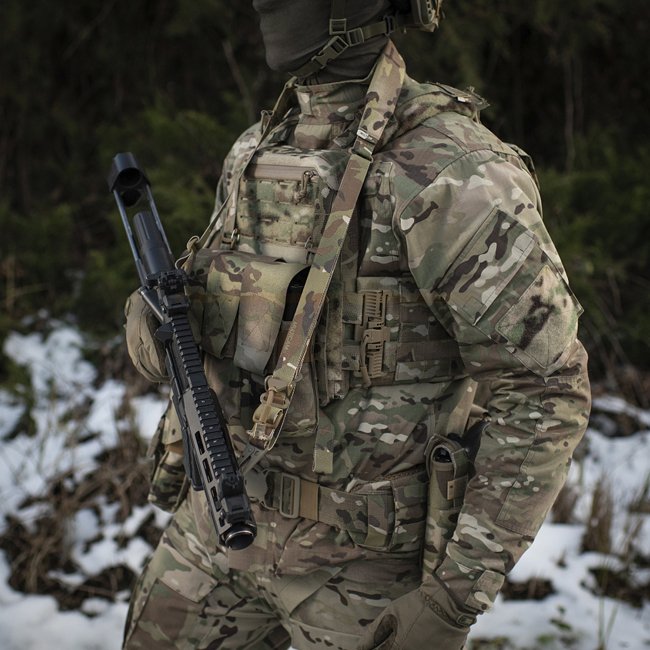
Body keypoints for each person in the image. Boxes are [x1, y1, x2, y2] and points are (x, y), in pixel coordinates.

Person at [121, 1, 591, 648]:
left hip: (364, 569)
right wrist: (156, 322)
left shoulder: (451, 170)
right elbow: (221, 312)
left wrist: (453, 599)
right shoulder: (259, 147)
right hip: (219, 524)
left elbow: (545, 386)